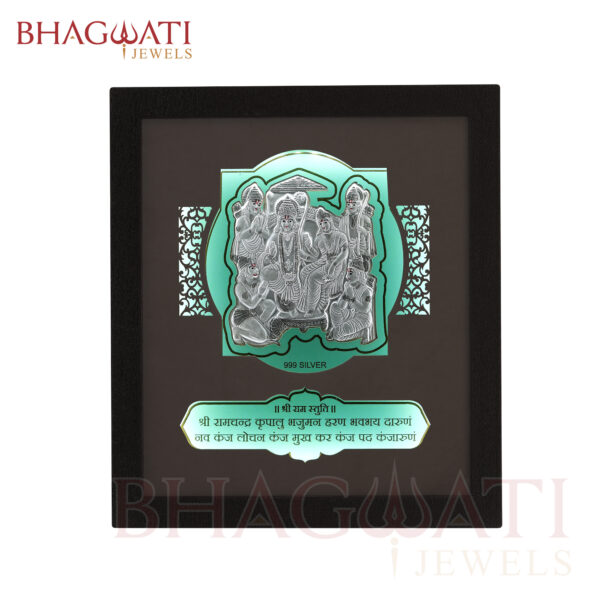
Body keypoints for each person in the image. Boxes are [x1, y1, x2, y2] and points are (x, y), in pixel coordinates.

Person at [297, 207, 348, 316]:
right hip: (323, 262)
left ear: (330, 222)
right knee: (304, 272)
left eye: (325, 222)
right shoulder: (319, 238)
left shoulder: (340, 236)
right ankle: (307, 305)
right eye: (320, 223)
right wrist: (306, 247)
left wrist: (333, 265)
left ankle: (311, 309)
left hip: (336, 264)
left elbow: (345, 252)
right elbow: (316, 256)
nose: (323, 226)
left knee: (313, 278)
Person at [230, 262, 276, 345]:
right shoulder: (239, 287)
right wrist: (260, 293)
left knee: (270, 305)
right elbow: (251, 304)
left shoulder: (255, 284)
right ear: (245, 274)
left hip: (252, 312)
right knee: (262, 337)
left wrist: (263, 289)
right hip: (241, 315)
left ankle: (261, 325)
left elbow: (260, 300)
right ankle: (238, 331)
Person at [329, 261, 374, 342]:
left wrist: (352, 298)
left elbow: (365, 309)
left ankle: (361, 332)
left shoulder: (366, 291)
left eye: (350, 273)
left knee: (336, 335)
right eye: (347, 273)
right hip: (352, 313)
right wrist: (346, 294)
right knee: (334, 306)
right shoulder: (349, 287)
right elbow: (341, 306)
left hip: (363, 319)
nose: (347, 276)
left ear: (359, 274)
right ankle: (339, 329)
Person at [339, 183, 376, 272]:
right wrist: (347, 245)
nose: (351, 206)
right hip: (347, 255)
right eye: (348, 203)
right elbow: (340, 238)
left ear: (359, 204)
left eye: (354, 203)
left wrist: (364, 232)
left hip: (361, 256)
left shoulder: (365, 219)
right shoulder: (343, 220)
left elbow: (369, 237)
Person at [231, 183, 268, 267]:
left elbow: (268, 236)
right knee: (245, 272)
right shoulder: (242, 218)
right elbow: (239, 236)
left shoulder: (263, 217)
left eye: (259, 204)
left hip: (260, 252)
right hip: (244, 253)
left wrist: (260, 230)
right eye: (254, 203)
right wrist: (251, 229)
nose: (256, 206)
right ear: (248, 203)